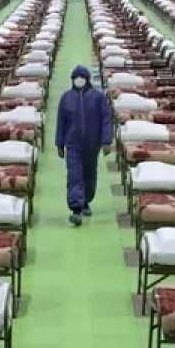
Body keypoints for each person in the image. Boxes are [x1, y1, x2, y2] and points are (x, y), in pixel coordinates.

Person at [55, 64, 112, 226]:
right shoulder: (66, 98)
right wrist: (60, 144)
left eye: (82, 77)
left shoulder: (97, 97)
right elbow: (61, 123)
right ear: (73, 79)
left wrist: (106, 141)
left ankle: (86, 200)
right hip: (73, 144)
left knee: (89, 175)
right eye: (76, 77)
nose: (79, 80)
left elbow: (106, 120)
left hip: (92, 144)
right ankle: (76, 209)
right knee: (74, 175)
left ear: (87, 79)